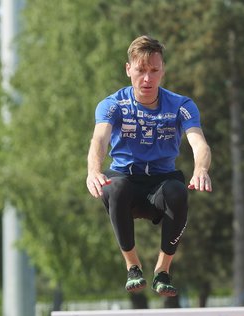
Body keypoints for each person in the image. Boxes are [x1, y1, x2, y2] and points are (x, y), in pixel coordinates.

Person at [86, 35, 212, 297]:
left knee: (178, 192)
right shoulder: (112, 105)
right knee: (115, 187)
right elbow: (99, 139)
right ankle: (133, 266)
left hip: (161, 181)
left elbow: (199, 143)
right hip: (126, 179)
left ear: (162, 70)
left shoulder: (181, 105)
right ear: (128, 69)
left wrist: (201, 169)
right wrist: (93, 171)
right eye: (141, 70)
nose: (147, 79)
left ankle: (162, 271)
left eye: (154, 71)